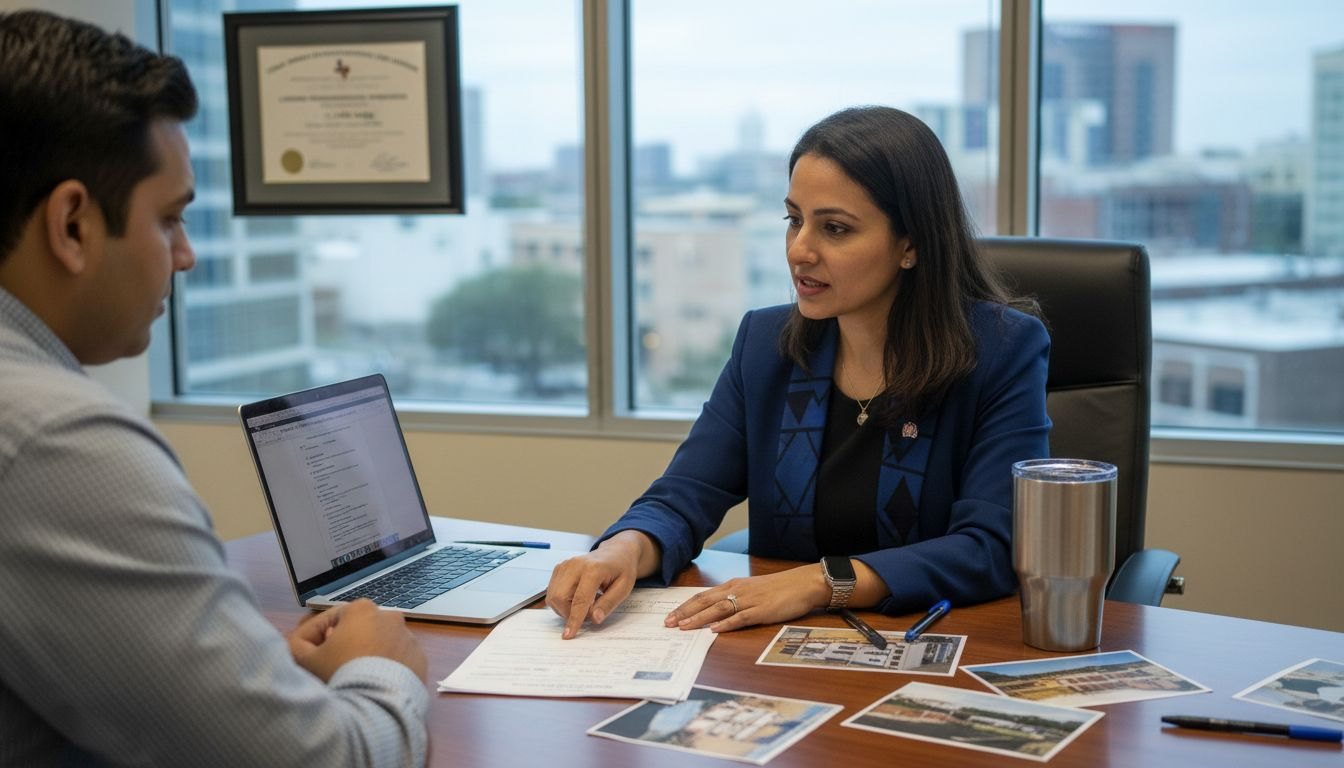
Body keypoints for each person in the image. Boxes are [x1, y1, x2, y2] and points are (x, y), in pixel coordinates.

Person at [0, 10, 428, 766]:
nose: (187, 256)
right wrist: (384, 667)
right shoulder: (57, 440)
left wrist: (231, 665)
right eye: (168, 220)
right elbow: (327, 760)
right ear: (71, 225)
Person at [547, 106, 1050, 639]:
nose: (799, 249)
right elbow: (684, 494)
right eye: (794, 219)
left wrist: (818, 583)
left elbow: (990, 546)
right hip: (775, 654)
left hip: (934, 641)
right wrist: (621, 550)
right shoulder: (765, 345)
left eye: (834, 228)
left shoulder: (1001, 349)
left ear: (911, 244)